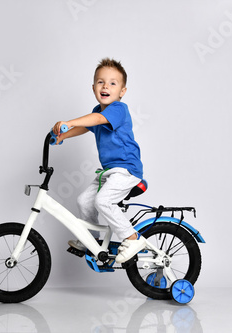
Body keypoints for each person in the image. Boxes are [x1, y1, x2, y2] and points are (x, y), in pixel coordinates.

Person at [52, 58, 145, 263]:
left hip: (126, 169)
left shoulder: (118, 109)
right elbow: (87, 126)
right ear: (93, 87)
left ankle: (132, 238)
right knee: (84, 201)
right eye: (101, 82)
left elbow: (97, 121)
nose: (106, 86)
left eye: (113, 83)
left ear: (122, 91)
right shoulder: (97, 111)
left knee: (103, 201)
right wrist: (63, 135)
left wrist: (68, 122)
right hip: (109, 171)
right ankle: (90, 240)